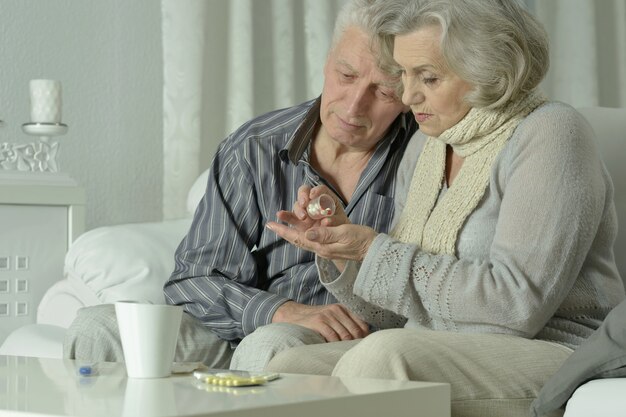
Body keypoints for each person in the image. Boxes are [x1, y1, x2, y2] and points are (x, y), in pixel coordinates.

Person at [260, 0, 625, 416]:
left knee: (384, 357)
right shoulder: (428, 145)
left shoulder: (550, 132)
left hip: (554, 349)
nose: (408, 94)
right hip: (434, 343)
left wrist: (373, 251)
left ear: (487, 69)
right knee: (290, 369)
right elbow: (394, 315)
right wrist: (344, 252)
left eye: (428, 77)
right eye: (404, 74)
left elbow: (517, 308)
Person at [62, 0, 417, 370]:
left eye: (383, 92)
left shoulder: (422, 155)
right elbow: (192, 281)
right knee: (96, 327)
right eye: (346, 75)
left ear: (407, 97)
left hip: (342, 340)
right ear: (326, 62)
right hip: (242, 326)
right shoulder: (255, 146)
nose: (355, 105)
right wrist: (279, 310)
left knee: (269, 347)